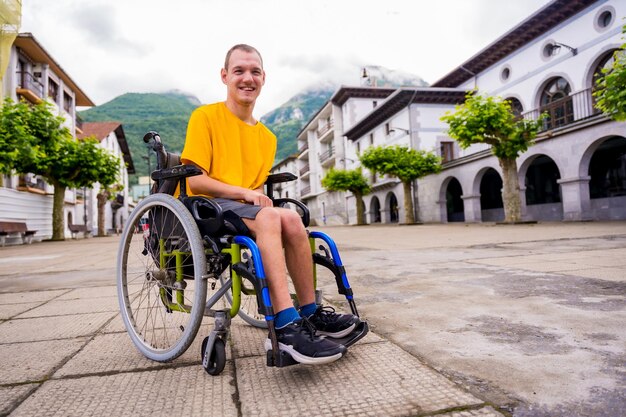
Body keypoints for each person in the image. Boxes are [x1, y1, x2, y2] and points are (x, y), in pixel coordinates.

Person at [181, 44, 360, 365]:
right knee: (268, 217)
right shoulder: (205, 116)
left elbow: (258, 191)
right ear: (225, 76)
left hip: (243, 210)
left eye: (255, 71)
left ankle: (310, 312)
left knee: (290, 219)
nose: (247, 78)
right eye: (239, 71)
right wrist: (244, 193)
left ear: (264, 78)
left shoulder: (267, 137)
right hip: (207, 207)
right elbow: (195, 181)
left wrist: (254, 198)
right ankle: (285, 326)